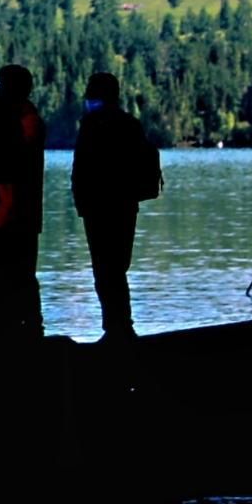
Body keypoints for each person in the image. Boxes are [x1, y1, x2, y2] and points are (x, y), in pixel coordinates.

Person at [71, 70, 161, 341]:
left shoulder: (93, 125)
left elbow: (82, 170)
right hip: (121, 207)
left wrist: (83, 202)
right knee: (114, 269)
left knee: (106, 270)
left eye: (91, 91)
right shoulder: (128, 123)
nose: (88, 96)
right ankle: (120, 326)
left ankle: (116, 328)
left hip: (103, 208)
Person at [0, 64, 47, 339]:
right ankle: (4, 325)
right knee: (0, 277)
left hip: (20, 213)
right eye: (0, 83)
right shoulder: (5, 118)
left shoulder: (29, 121)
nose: (0, 88)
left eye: (4, 84)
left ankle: (33, 327)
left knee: (23, 276)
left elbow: (18, 156)